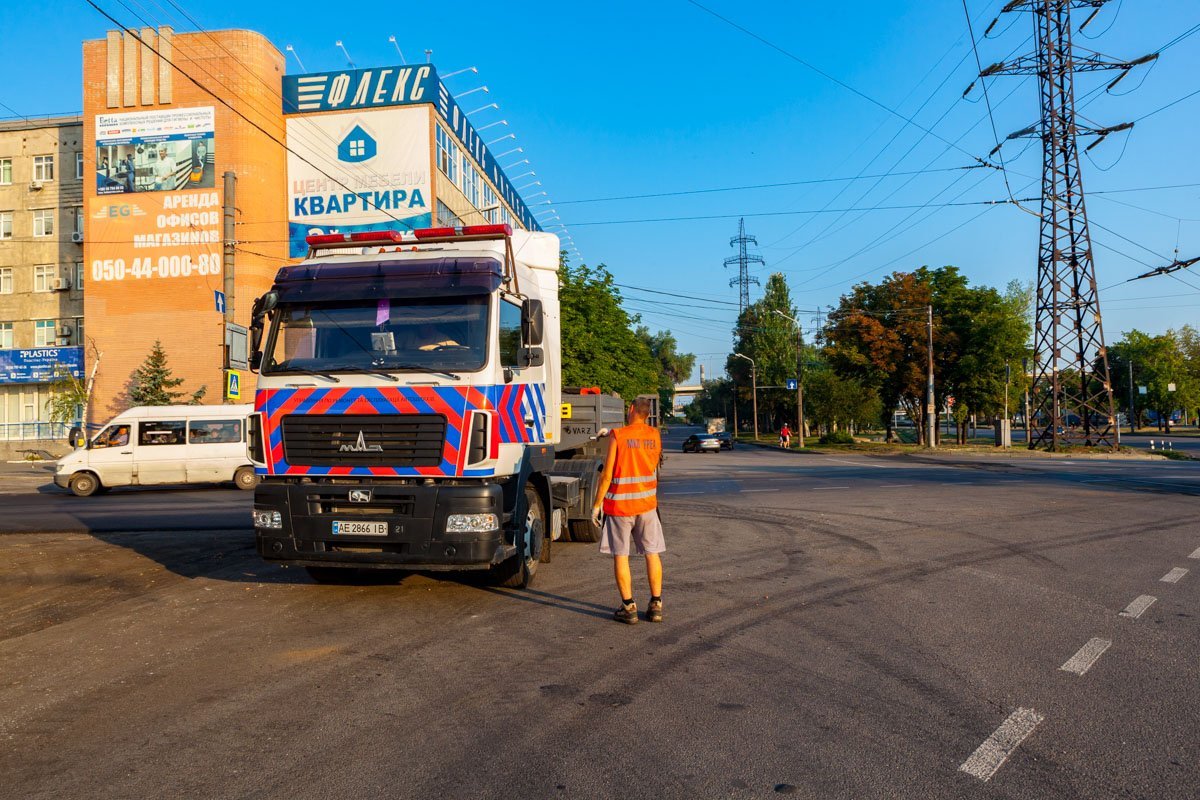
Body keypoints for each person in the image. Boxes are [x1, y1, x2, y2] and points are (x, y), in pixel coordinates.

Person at [592, 396, 665, 624]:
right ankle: (656, 604)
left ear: (631, 408)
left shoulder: (619, 436)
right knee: (652, 553)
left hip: (620, 507)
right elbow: (644, 454)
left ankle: (629, 607)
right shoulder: (655, 435)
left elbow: (607, 475)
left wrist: (596, 505)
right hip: (647, 505)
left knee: (621, 555)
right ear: (647, 413)